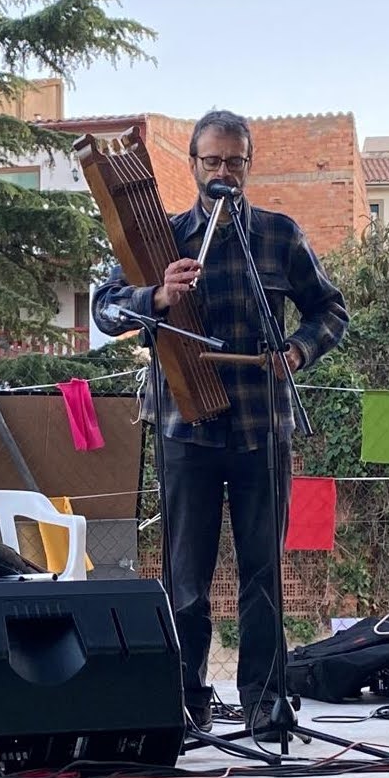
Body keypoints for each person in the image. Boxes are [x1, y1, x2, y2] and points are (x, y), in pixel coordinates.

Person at [92, 110, 348, 737]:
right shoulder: (164, 239)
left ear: (248, 166)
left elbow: (331, 311)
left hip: (262, 431)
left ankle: (264, 704)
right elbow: (103, 309)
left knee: (264, 575)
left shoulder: (280, 236)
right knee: (186, 580)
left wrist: (297, 350)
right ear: (194, 167)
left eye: (235, 162)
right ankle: (186, 701)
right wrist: (154, 298)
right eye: (213, 162)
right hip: (185, 431)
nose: (224, 173)